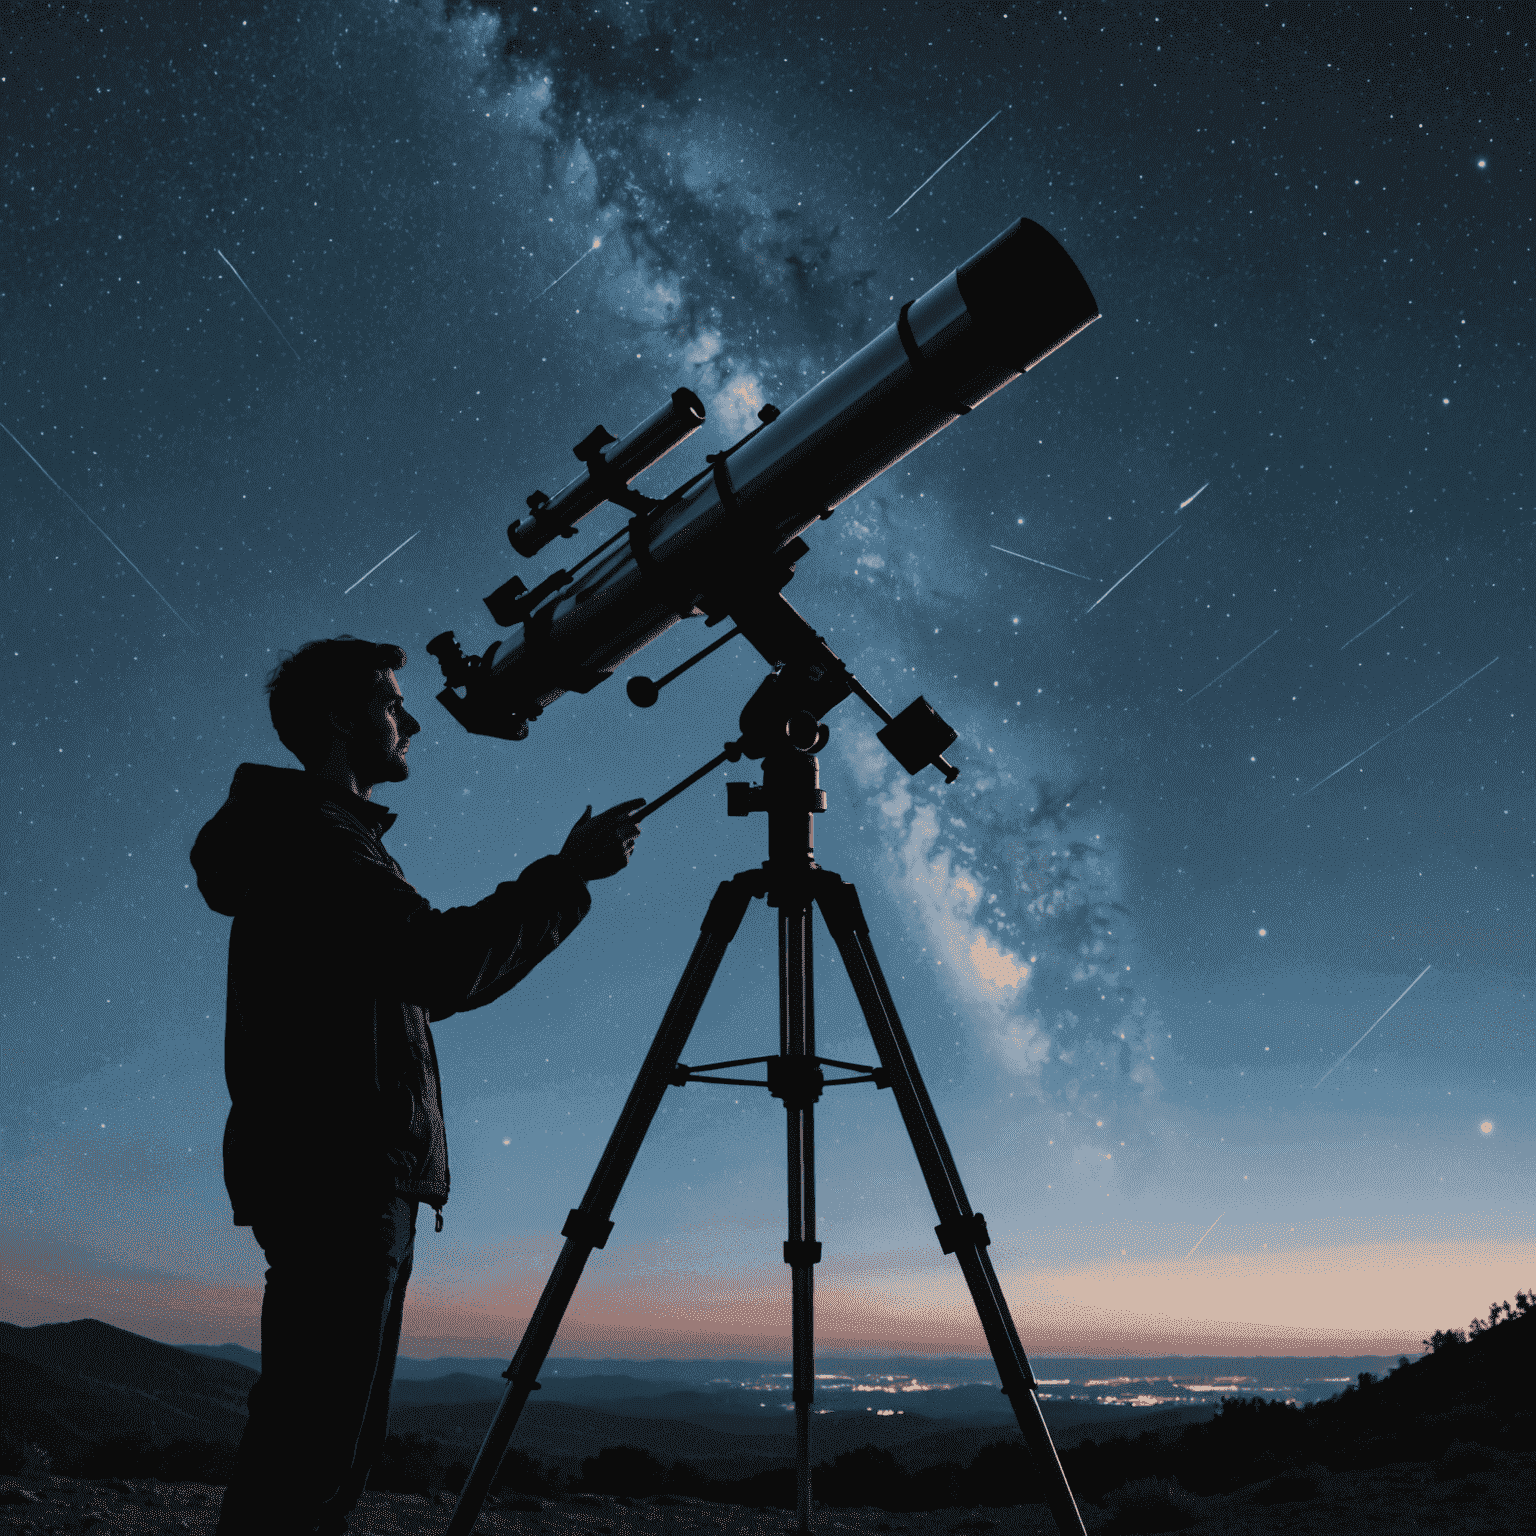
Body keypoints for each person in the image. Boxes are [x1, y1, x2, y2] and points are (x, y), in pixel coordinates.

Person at [190, 635, 643, 1536]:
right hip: (344, 1167)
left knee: (312, 1435)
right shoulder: (318, 840)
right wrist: (567, 877)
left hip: (330, 1163)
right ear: (336, 721)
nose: (412, 720)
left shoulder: (309, 836)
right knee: (314, 1448)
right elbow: (440, 964)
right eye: (392, 704)